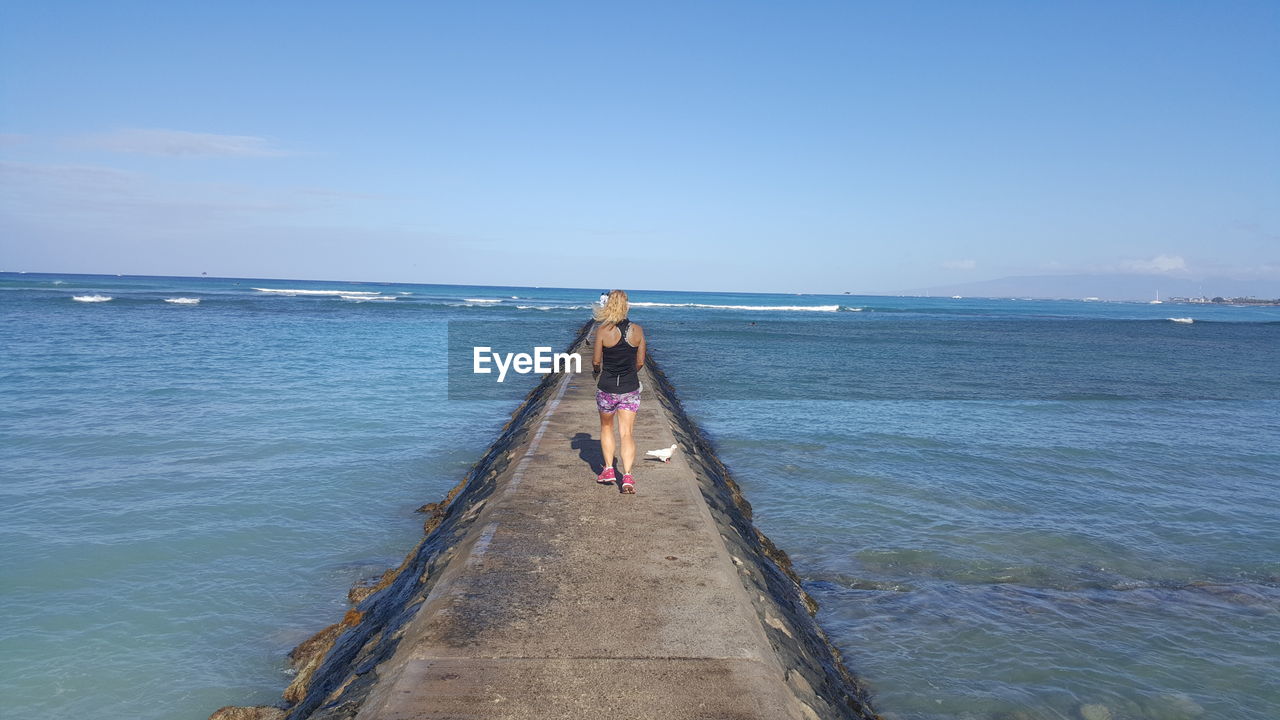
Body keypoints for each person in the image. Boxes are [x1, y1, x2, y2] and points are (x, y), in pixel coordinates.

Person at [591, 289, 646, 493]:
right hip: (630, 388)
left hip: (606, 387)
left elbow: (597, 361)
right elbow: (640, 362)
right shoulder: (638, 330)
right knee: (627, 433)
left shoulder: (603, 331)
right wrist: (630, 371)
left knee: (606, 428)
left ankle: (608, 470)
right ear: (627, 306)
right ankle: (628, 476)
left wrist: (596, 371)